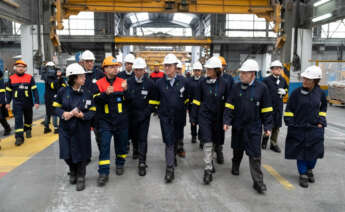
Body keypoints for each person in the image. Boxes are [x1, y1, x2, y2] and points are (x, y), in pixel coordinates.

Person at [223, 59, 273, 194]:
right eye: (241, 73)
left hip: (254, 128)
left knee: (255, 155)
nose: (241, 75)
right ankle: (235, 165)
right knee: (237, 150)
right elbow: (229, 105)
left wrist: (268, 126)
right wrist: (227, 121)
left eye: (244, 73)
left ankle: (258, 182)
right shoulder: (236, 87)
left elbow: (267, 109)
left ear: (252, 74)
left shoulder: (262, 88)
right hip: (238, 126)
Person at [53, 63, 96, 191]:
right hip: (66, 128)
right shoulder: (62, 91)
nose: (84, 78)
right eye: (82, 76)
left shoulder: (87, 93)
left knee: (82, 154)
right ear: (74, 78)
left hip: (82, 128)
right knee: (66, 153)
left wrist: (83, 115)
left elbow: (93, 110)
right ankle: (72, 170)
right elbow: (55, 106)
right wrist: (63, 113)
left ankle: (81, 176)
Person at [284, 65, 327, 188]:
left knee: (314, 152)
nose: (304, 81)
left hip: (315, 128)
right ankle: (302, 174)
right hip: (299, 127)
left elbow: (323, 108)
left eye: (308, 79)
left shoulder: (320, 93)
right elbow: (289, 110)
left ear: (315, 81)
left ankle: (310, 169)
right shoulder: (296, 93)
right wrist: (291, 123)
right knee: (300, 152)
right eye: (304, 78)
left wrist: (321, 122)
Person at [149, 53, 190, 183]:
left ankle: (174, 157)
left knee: (177, 139)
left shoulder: (184, 81)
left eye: (169, 65)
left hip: (179, 117)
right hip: (166, 117)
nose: (166, 68)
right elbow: (155, 100)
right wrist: (157, 112)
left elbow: (187, 99)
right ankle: (169, 169)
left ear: (175, 66)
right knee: (169, 142)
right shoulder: (159, 83)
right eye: (165, 66)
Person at [191, 56, 229, 185]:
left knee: (216, 141)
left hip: (218, 118)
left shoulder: (224, 83)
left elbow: (229, 103)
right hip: (205, 116)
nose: (207, 70)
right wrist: (193, 117)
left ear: (217, 70)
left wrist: (227, 120)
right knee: (207, 141)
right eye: (206, 68)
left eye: (210, 68)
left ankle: (213, 159)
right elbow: (196, 101)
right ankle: (207, 170)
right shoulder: (202, 83)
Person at [93, 56, 129, 187]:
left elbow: (130, 100)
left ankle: (120, 164)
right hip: (105, 121)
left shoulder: (123, 82)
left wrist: (126, 91)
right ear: (105, 69)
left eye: (116, 67)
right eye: (112, 67)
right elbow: (95, 100)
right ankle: (103, 173)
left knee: (122, 144)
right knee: (104, 146)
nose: (115, 69)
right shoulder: (99, 83)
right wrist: (105, 94)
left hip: (121, 120)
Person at [127, 57, 155, 176]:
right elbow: (126, 100)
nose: (138, 72)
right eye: (136, 70)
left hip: (144, 116)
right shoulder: (128, 83)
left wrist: (146, 113)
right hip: (131, 115)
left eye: (140, 69)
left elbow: (153, 102)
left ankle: (142, 162)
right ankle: (135, 150)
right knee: (134, 136)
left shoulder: (150, 83)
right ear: (134, 70)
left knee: (143, 138)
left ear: (144, 70)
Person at [5, 60, 39, 146]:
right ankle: (19, 137)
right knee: (18, 119)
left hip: (28, 102)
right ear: (15, 68)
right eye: (19, 67)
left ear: (25, 69)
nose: (20, 68)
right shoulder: (11, 78)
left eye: (22, 67)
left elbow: (35, 90)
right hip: (17, 103)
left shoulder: (30, 78)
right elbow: (8, 92)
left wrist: (37, 101)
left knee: (28, 118)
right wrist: (8, 103)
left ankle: (28, 129)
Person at [262, 60, 288, 153]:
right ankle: (265, 140)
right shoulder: (266, 80)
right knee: (268, 124)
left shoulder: (283, 80)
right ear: (272, 70)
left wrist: (285, 92)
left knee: (277, 125)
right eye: (276, 68)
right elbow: (263, 93)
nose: (278, 70)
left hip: (279, 106)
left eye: (280, 68)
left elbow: (286, 88)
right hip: (269, 106)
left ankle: (273, 143)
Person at [80, 50, 104, 149]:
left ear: (94, 62)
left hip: (97, 109)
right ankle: (86, 156)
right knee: (84, 135)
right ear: (83, 62)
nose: (89, 63)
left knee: (99, 133)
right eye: (87, 61)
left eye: (91, 61)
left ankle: (102, 152)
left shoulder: (100, 74)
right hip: (83, 109)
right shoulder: (79, 73)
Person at [215, 56, 234, 164]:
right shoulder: (210, 77)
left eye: (222, 66)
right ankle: (212, 147)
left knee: (221, 131)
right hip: (213, 109)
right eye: (219, 65)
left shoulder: (228, 78)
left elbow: (231, 94)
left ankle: (219, 150)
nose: (221, 67)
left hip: (224, 109)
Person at [43, 62, 66, 134]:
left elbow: (64, 85)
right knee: (53, 112)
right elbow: (52, 86)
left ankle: (46, 127)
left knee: (49, 112)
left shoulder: (56, 77)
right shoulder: (48, 77)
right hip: (50, 96)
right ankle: (55, 128)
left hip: (55, 95)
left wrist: (60, 78)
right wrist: (58, 78)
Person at [187, 61, 204, 148]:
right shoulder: (189, 81)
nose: (197, 72)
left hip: (201, 106)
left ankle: (201, 139)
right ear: (193, 71)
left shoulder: (204, 81)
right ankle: (194, 135)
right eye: (195, 70)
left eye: (198, 70)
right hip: (191, 105)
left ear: (201, 71)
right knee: (193, 121)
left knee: (201, 122)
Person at [0, 70, 11, 136]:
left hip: (0, 102)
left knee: (1, 117)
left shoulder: (1, 81)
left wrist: (1, 102)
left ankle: (7, 128)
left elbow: (2, 92)